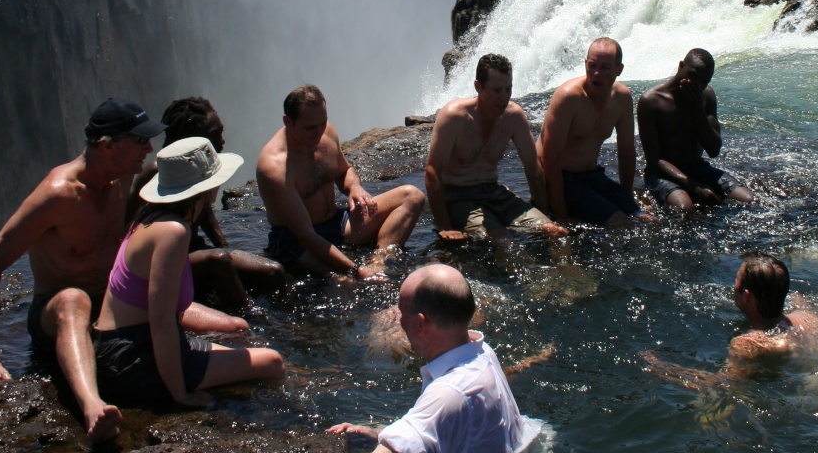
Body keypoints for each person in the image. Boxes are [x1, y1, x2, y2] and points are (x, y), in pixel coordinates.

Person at [0, 98, 243, 442]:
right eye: (140, 141)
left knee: (234, 328)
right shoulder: (58, 194)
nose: (149, 148)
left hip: (117, 304)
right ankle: (92, 406)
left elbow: (181, 194)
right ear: (108, 145)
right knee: (73, 300)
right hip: (57, 312)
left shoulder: (121, 180)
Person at [216, 264, 542, 453]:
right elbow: (462, 423)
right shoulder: (479, 349)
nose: (397, 319)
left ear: (418, 324)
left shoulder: (448, 394)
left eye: (401, 312)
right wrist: (387, 434)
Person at [92, 137, 284, 406]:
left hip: (117, 346)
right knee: (273, 362)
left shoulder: (149, 217)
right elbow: (162, 323)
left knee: (239, 331)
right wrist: (180, 393)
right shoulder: (174, 231)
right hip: (132, 359)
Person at [257, 85, 425, 280]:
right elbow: (305, 234)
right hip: (297, 242)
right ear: (288, 121)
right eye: (310, 127)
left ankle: (378, 261)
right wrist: (355, 270)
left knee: (412, 196)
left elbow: (345, 171)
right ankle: (355, 271)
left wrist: (355, 187)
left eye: (323, 122)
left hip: (336, 223)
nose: (319, 132)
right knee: (346, 282)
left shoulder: (326, 132)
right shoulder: (275, 166)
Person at [150, 97, 286, 312]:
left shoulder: (197, 167)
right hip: (164, 262)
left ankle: (278, 322)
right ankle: (251, 325)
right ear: (190, 138)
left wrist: (223, 245)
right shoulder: (156, 176)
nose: (222, 142)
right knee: (219, 263)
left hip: (193, 250)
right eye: (214, 136)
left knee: (273, 272)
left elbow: (202, 208)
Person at [425, 53, 567, 244]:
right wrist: (445, 227)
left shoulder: (514, 116)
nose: (504, 98)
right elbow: (432, 172)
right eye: (496, 90)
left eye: (508, 89)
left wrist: (546, 212)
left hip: (494, 192)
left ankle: (570, 273)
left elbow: (533, 168)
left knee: (555, 232)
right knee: (502, 240)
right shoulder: (454, 117)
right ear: (478, 86)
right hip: (459, 196)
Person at [642, 255, 818, 388]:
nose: (733, 287)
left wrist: (662, 368)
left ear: (747, 296)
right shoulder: (809, 318)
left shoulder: (748, 343)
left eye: (736, 282)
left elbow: (723, 384)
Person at [536, 37, 652, 227]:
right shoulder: (569, 97)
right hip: (561, 178)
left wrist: (626, 196)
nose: (596, 73)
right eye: (592, 65)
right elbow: (549, 159)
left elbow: (626, 152)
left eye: (605, 67)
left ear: (619, 69)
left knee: (644, 218)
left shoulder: (621, 98)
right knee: (619, 221)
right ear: (585, 63)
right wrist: (560, 214)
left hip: (592, 175)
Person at [637, 48, 754, 212]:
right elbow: (654, 160)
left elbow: (713, 150)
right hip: (662, 173)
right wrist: (693, 186)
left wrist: (697, 108)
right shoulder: (651, 101)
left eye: (704, 81)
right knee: (685, 208)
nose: (696, 84)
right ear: (680, 67)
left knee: (749, 200)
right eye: (692, 75)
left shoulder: (706, 96)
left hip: (697, 167)